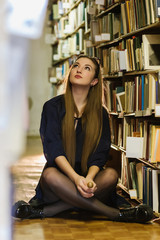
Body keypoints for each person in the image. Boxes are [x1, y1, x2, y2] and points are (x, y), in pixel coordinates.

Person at [12, 55, 153, 223]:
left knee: (110, 175)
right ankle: (115, 214)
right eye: (76, 65)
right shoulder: (52, 107)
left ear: (94, 81)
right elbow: (53, 149)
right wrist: (75, 178)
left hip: (89, 181)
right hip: (60, 180)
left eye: (87, 68)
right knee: (50, 175)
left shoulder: (100, 113)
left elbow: (100, 153)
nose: (79, 69)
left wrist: (89, 179)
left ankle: (47, 211)